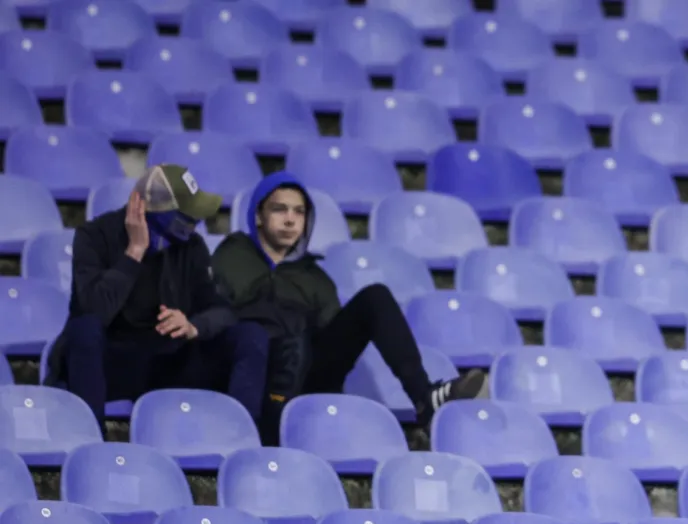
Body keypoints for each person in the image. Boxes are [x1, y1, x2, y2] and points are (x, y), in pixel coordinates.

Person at [211, 173, 485, 444]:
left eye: (299, 212)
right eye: (279, 209)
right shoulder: (235, 252)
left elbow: (330, 341)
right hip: (253, 368)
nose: (290, 219)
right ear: (258, 216)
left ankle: (425, 398)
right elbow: (233, 308)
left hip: (302, 371)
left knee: (375, 297)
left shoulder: (314, 277)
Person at [45, 164, 269, 429]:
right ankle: (92, 442)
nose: (195, 224)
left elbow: (222, 310)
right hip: (113, 363)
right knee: (83, 329)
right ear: (152, 211)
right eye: (187, 216)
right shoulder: (95, 236)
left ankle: (239, 436)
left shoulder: (191, 246)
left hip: (167, 359)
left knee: (250, 335)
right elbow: (93, 309)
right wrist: (134, 253)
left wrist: (193, 325)